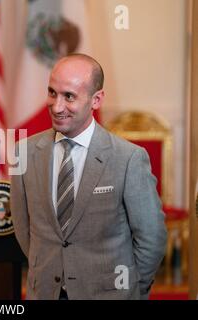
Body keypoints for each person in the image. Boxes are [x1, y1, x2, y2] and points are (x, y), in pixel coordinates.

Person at [10, 54, 167, 300]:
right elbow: (23, 228)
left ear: (96, 100)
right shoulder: (24, 152)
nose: (57, 106)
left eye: (69, 96)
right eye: (52, 93)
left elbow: (151, 237)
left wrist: (133, 289)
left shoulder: (129, 159)